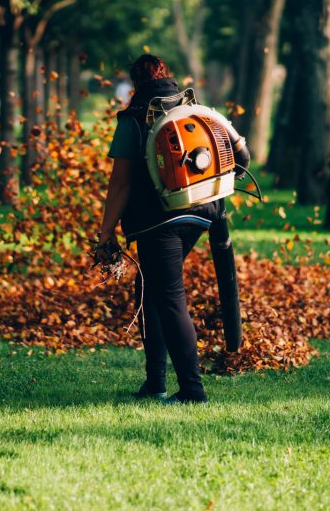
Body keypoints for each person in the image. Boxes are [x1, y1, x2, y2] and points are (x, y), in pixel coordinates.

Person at [98, 54, 241, 404]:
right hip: (204, 213)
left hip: (159, 220)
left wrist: (105, 236)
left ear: (136, 84)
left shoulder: (134, 118)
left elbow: (120, 185)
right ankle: (155, 383)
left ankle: (193, 391)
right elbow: (239, 154)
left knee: (169, 297)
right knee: (148, 291)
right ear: (167, 76)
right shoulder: (196, 109)